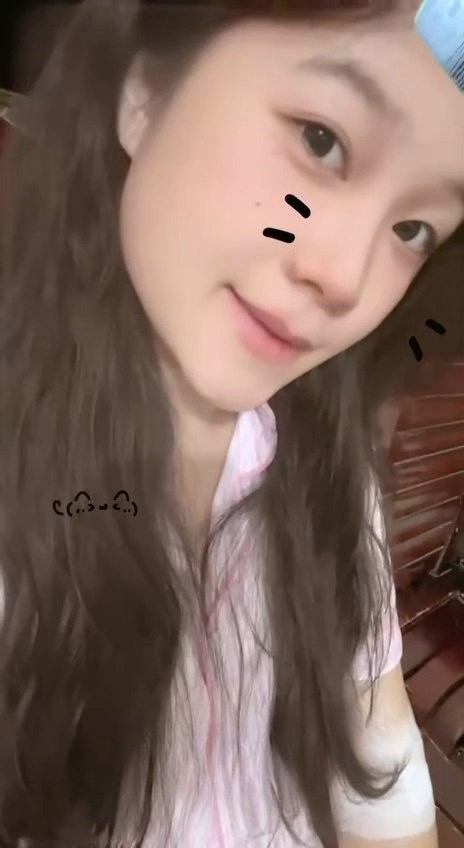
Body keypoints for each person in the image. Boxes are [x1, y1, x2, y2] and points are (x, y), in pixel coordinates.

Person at [0, 0, 463, 845]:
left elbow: (378, 755)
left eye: (412, 228)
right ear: (144, 88)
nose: (345, 277)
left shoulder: (327, 475)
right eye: (321, 140)